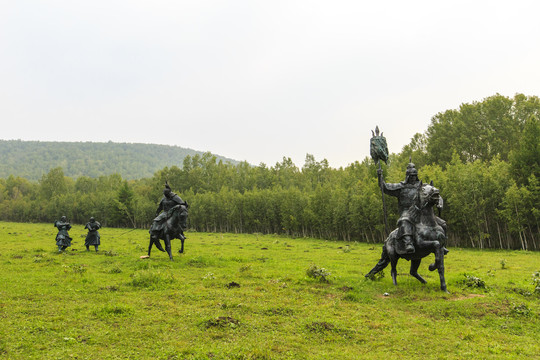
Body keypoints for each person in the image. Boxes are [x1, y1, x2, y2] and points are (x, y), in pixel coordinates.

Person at [378, 162, 448, 255]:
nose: (413, 178)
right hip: (407, 211)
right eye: (411, 176)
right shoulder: (401, 187)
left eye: (415, 176)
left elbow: (436, 194)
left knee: (443, 224)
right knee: (404, 221)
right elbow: (385, 187)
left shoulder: (423, 186)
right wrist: (380, 176)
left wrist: (440, 203)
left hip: (422, 212)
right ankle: (408, 243)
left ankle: (442, 245)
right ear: (407, 176)